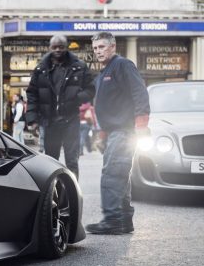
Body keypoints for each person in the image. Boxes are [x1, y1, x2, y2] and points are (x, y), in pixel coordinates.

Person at [86, 31, 150, 235]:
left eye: (102, 47)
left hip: (124, 131)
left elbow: (139, 93)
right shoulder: (103, 73)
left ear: (113, 46)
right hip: (113, 132)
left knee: (112, 174)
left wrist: (141, 125)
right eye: (95, 48)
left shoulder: (123, 65)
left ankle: (113, 220)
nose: (98, 51)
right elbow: (107, 107)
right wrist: (102, 135)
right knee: (120, 175)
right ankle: (124, 220)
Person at [26, 34, 95, 178]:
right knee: (51, 161)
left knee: (72, 161)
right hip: (49, 121)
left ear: (67, 47)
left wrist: (77, 99)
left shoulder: (79, 66)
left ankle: (74, 193)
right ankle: (53, 192)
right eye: (54, 47)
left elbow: (91, 89)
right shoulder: (40, 69)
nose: (58, 50)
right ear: (49, 48)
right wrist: (32, 118)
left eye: (61, 47)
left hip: (71, 120)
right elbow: (32, 94)